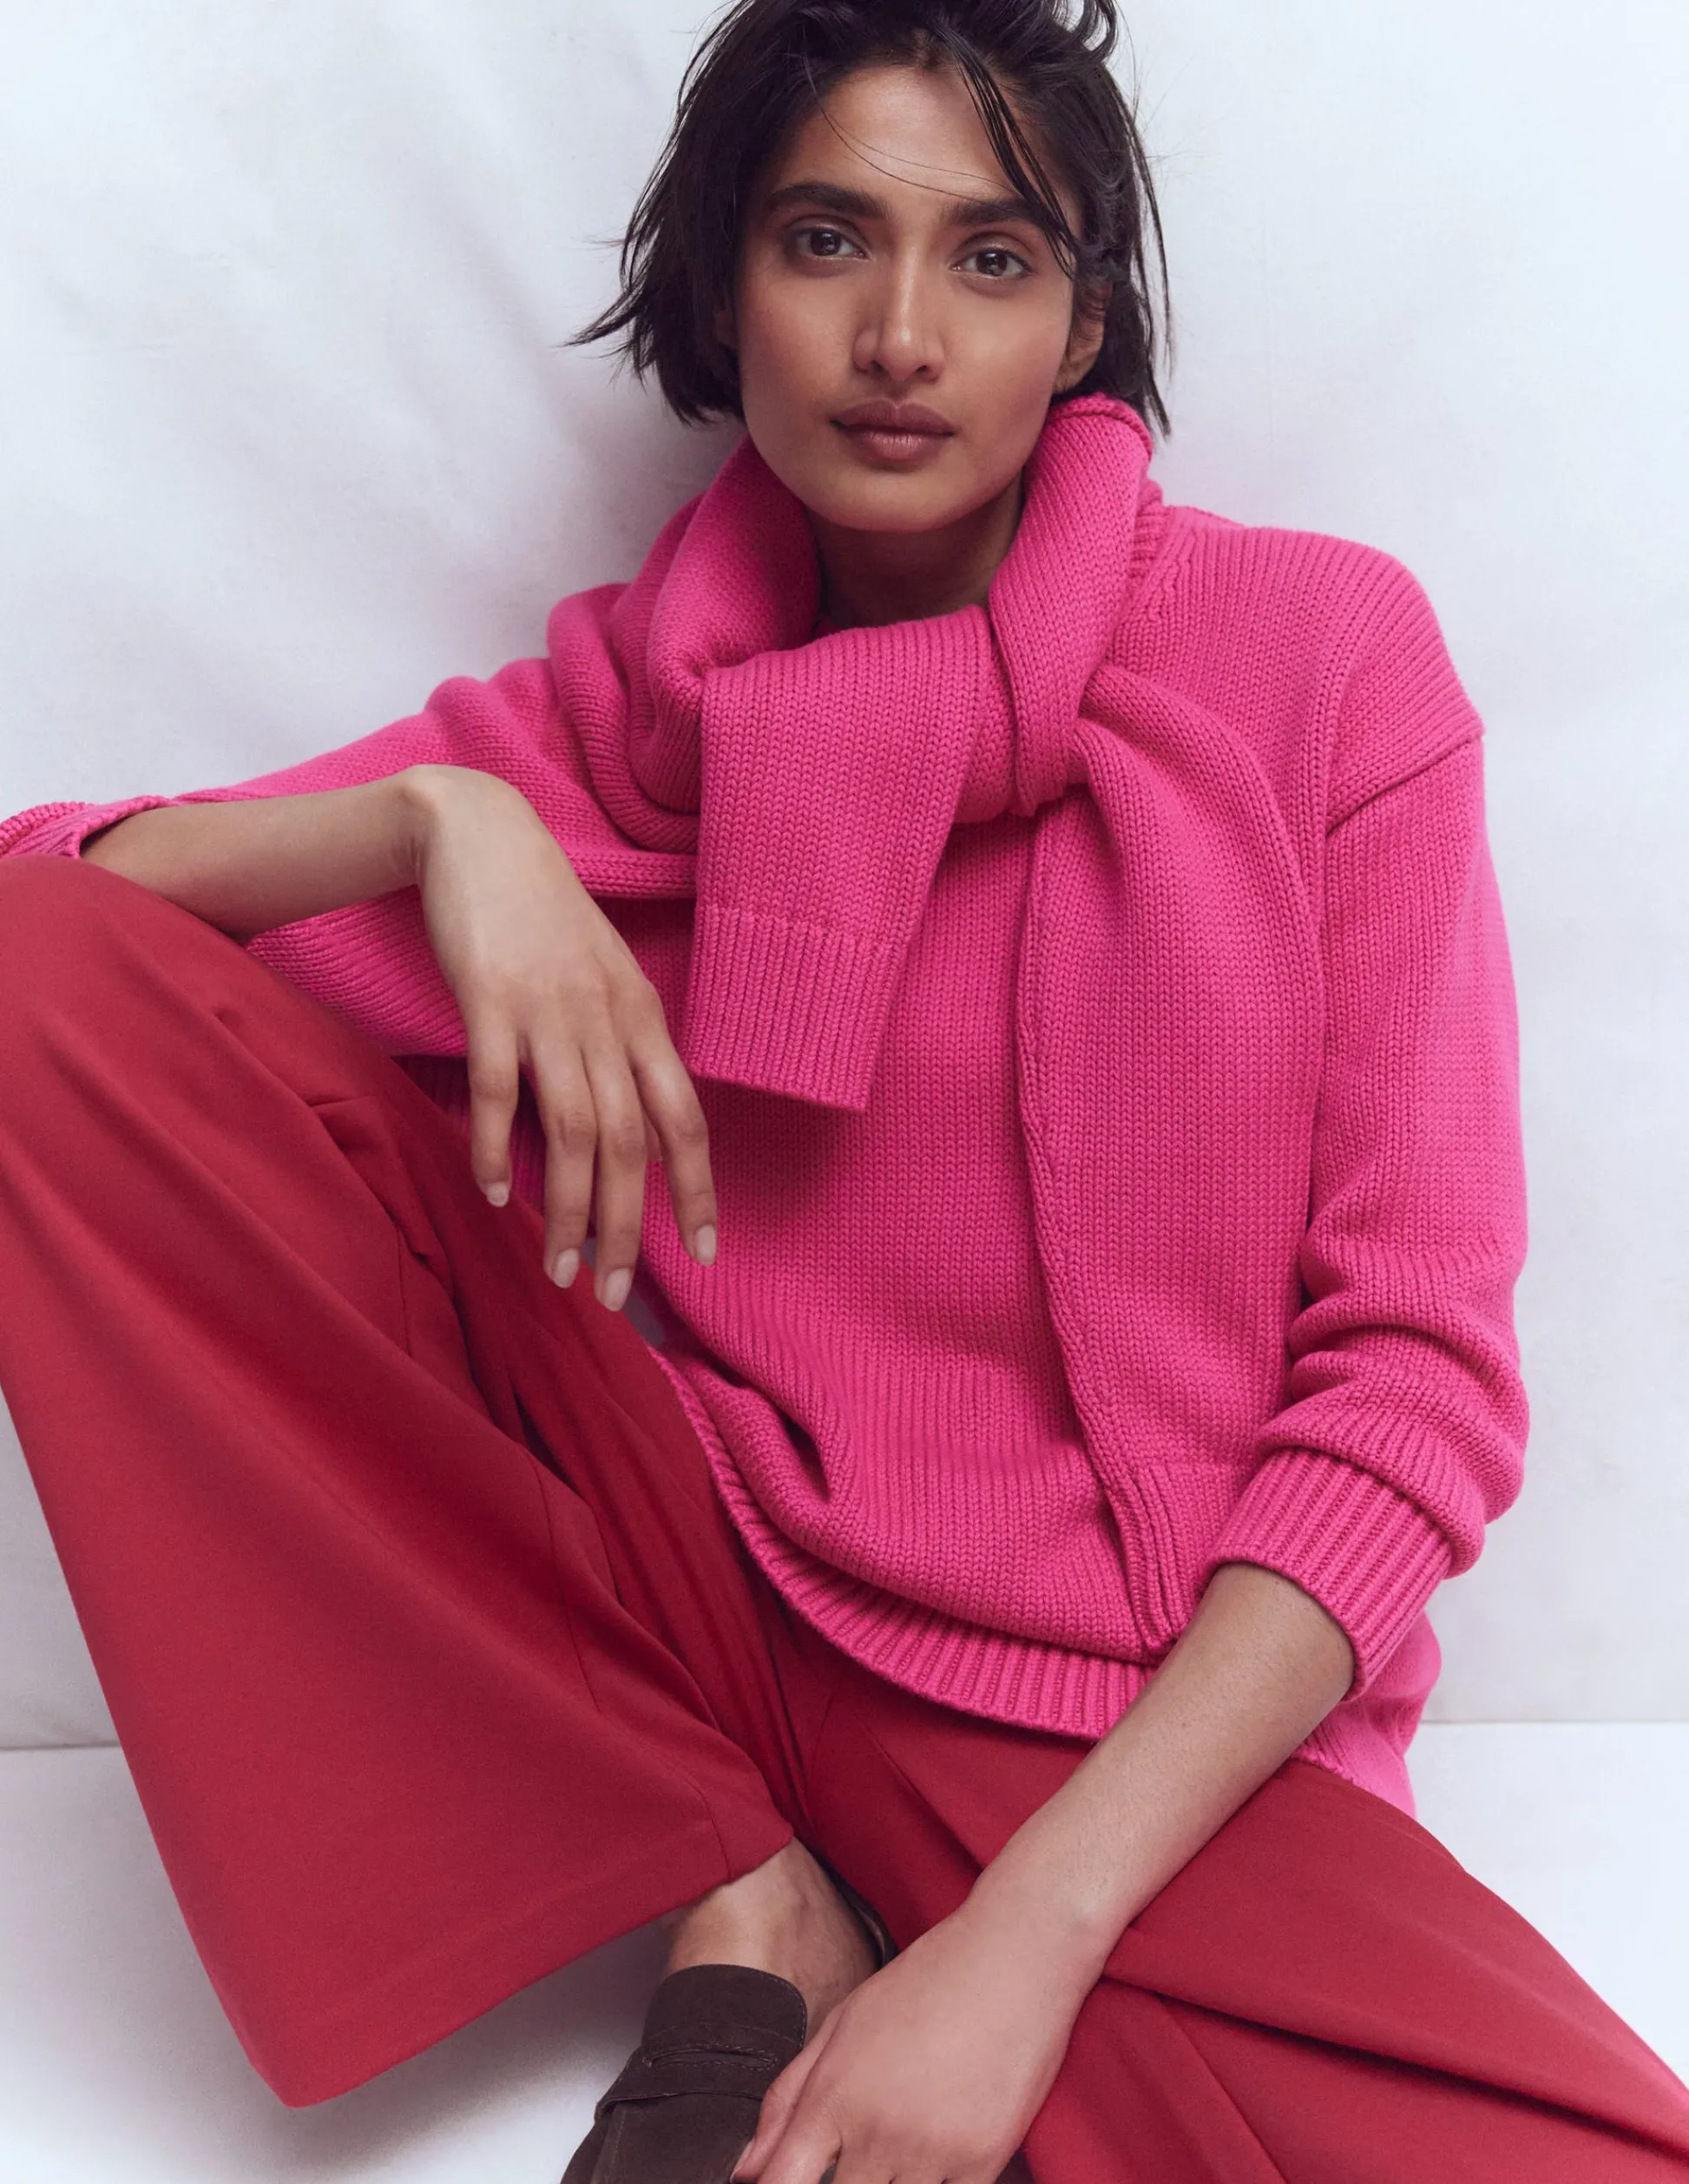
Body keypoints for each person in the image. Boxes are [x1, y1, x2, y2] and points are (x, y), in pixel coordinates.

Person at [0, 0, 1685, 2178]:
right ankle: (743, 1872)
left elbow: (1412, 1386)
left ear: (1084, 322)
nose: (901, 334)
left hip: (1130, 1708)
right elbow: (48, 936)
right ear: (724, 290)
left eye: (991, 256)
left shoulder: (1319, 663)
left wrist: (1020, 1943)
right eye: (825, 240)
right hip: (692, 1612)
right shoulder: (611, 731)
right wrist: (434, 820)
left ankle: (856, 1908)